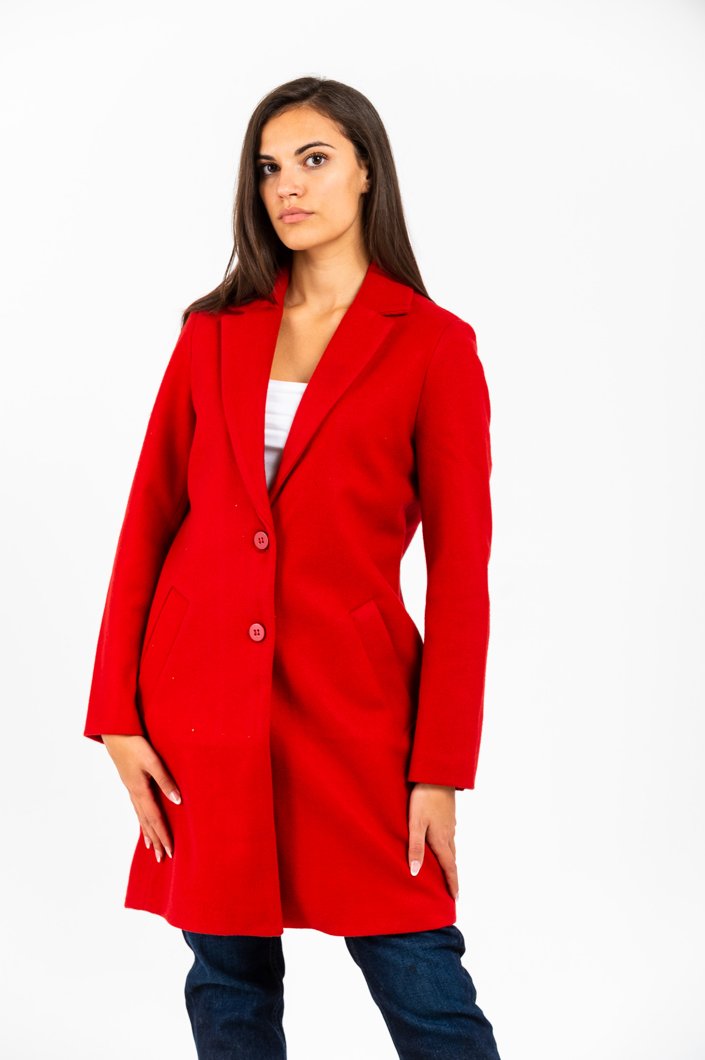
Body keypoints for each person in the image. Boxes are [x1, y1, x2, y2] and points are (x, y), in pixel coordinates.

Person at [83, 75, 502, 1059]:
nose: (288, 187)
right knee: (226, 978)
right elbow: (148, 522)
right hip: (202, 712)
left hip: (357, 714)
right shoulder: (212, 331)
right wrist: (116, 713)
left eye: (314, 160)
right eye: (270, 168)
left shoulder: (433, 346)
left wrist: (439, 771)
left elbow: (462, 576)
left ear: (366, 171)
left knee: (421, 974)